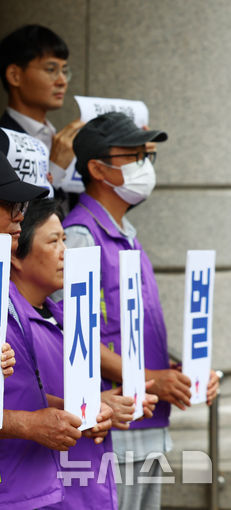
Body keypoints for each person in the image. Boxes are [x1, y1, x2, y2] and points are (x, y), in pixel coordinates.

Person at [0, 146, 112, 510]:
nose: (18, 218)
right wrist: (28, 424)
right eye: (9, 206)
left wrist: (71, 411)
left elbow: (17, 391)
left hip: (29, 482)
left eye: (22, 208)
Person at [63, 112, 220, 510]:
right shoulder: (80, 236)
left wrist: (180, 374)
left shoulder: (125, 233)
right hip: (115, 423)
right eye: (133, 155)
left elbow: (132, 332)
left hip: (147, 420)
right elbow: (72, 335)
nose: (144, 165)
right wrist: (152, 379)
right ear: (98, 168)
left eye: (146, 155)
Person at [12, 198, 161, 509]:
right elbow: (13, 402)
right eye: (54, 241)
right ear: (16, 252)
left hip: (90, 483)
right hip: (43, 486)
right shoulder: (11, 324)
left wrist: (109, 402)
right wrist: (91, 405)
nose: (65, 251)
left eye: (65, 239)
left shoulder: (65, 318)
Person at [0, 25, 84, 191]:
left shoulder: (60, 140)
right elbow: (15, 213)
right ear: (15, 75)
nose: (62, 81)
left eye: (64, 71)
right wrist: (55, 168)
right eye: (51, 69)